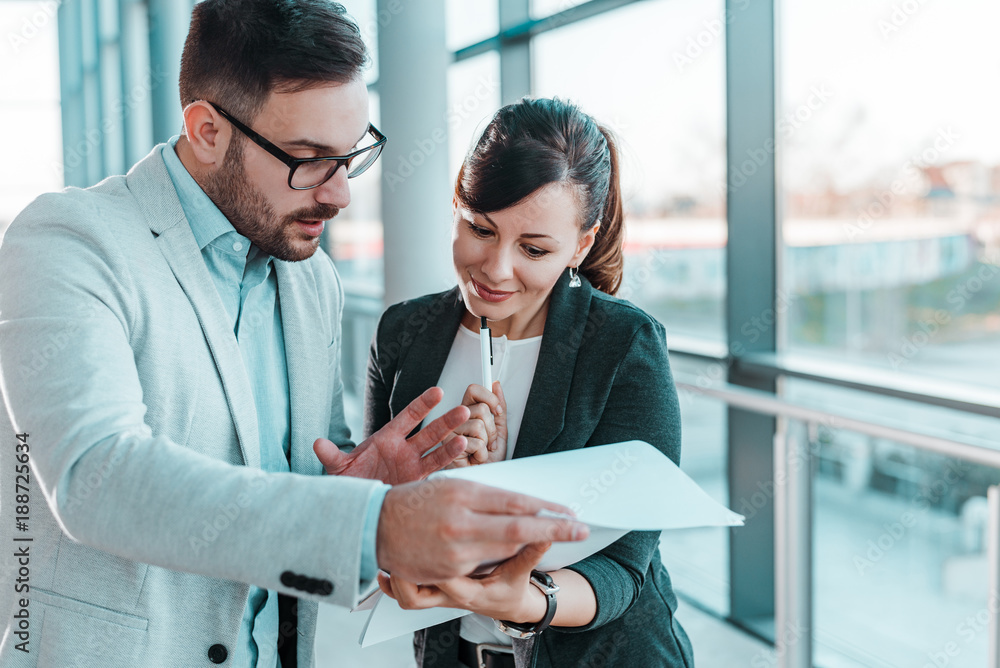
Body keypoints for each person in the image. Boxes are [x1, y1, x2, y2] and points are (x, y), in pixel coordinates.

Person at [0, 3, 587, 666]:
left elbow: (301, 480)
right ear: (207, 131)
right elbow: (95, 476)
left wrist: (364, 484)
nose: (339, 195)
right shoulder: (69, 243)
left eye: (350, 154)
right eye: (308, 159)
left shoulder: (311, 279)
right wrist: (373, 524)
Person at [365, 98, 695, 668]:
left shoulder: (622, 345)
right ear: (457, 207)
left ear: (582, 244)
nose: (495, 268)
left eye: (534, 249)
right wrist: (437, 487)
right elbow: (380, 508)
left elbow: (625, 565)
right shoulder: (404, 333)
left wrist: (524, 597)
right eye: (480, 229)